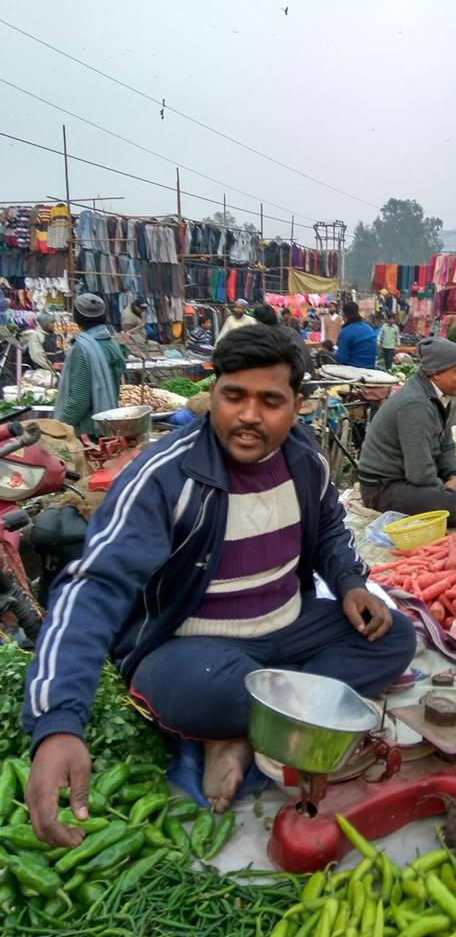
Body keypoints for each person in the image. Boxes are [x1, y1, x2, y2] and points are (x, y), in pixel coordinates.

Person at [22, 327, 416, 844]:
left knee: (394, 638)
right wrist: (57, 721)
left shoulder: (305, 461)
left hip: (286, 625)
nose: (249, 415)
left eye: (270, 401)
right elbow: (93, 588)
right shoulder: (165, 477)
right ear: (213, 393)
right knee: (201, 688)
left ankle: (246, 728)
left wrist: (348, 584)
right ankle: (254, 723)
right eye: (234, 396)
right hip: (194, 648)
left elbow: (329, 532)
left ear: (296, 405)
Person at [358, 337, 456, 528]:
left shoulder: (439, 397)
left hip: (411, 480)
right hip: (382, 488)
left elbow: (447, 446)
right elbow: (420, 473)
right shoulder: (415, 405)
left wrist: (453, 477)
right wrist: (446, 495)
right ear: (435, 373)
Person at [53, 294, 124, 437]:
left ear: (77, 318)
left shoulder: (82, 349)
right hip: (108, 423)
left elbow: (80, 400)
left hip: (86, 432)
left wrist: (58, 427)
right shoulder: (112, 344)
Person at [254, 303, 314, 376]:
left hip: (297, 381)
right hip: (307, 377)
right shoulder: (290, 331)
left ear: (259, 322)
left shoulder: (271, 336)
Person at [336, 302, 378, 370]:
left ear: (344, 315)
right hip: (371, 368)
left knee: (323, 353)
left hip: (354, 370)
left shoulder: (346, 331)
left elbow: (341, 358)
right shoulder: (369, 328)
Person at [23, 314, 62, 384]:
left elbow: (64, 349)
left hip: (59, 371)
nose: (54, 324)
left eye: (54, 322)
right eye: (52, 322)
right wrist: (51, 367)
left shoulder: (56, 334)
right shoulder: (36, 336)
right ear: (45, 324)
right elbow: (37, 355)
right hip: (45, 373)